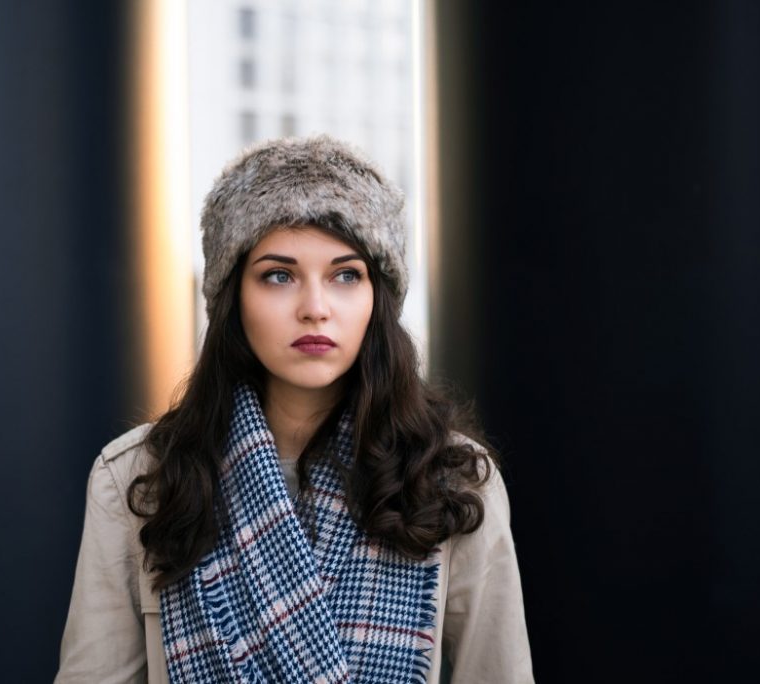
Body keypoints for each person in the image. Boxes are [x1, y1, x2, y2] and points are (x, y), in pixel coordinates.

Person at [54, 136, 534, 683]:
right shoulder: (141, 477)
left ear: (379, 297)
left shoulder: (449, 477)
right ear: (233, 297)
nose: (315, 309)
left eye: (346, 275)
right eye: (278, 275)